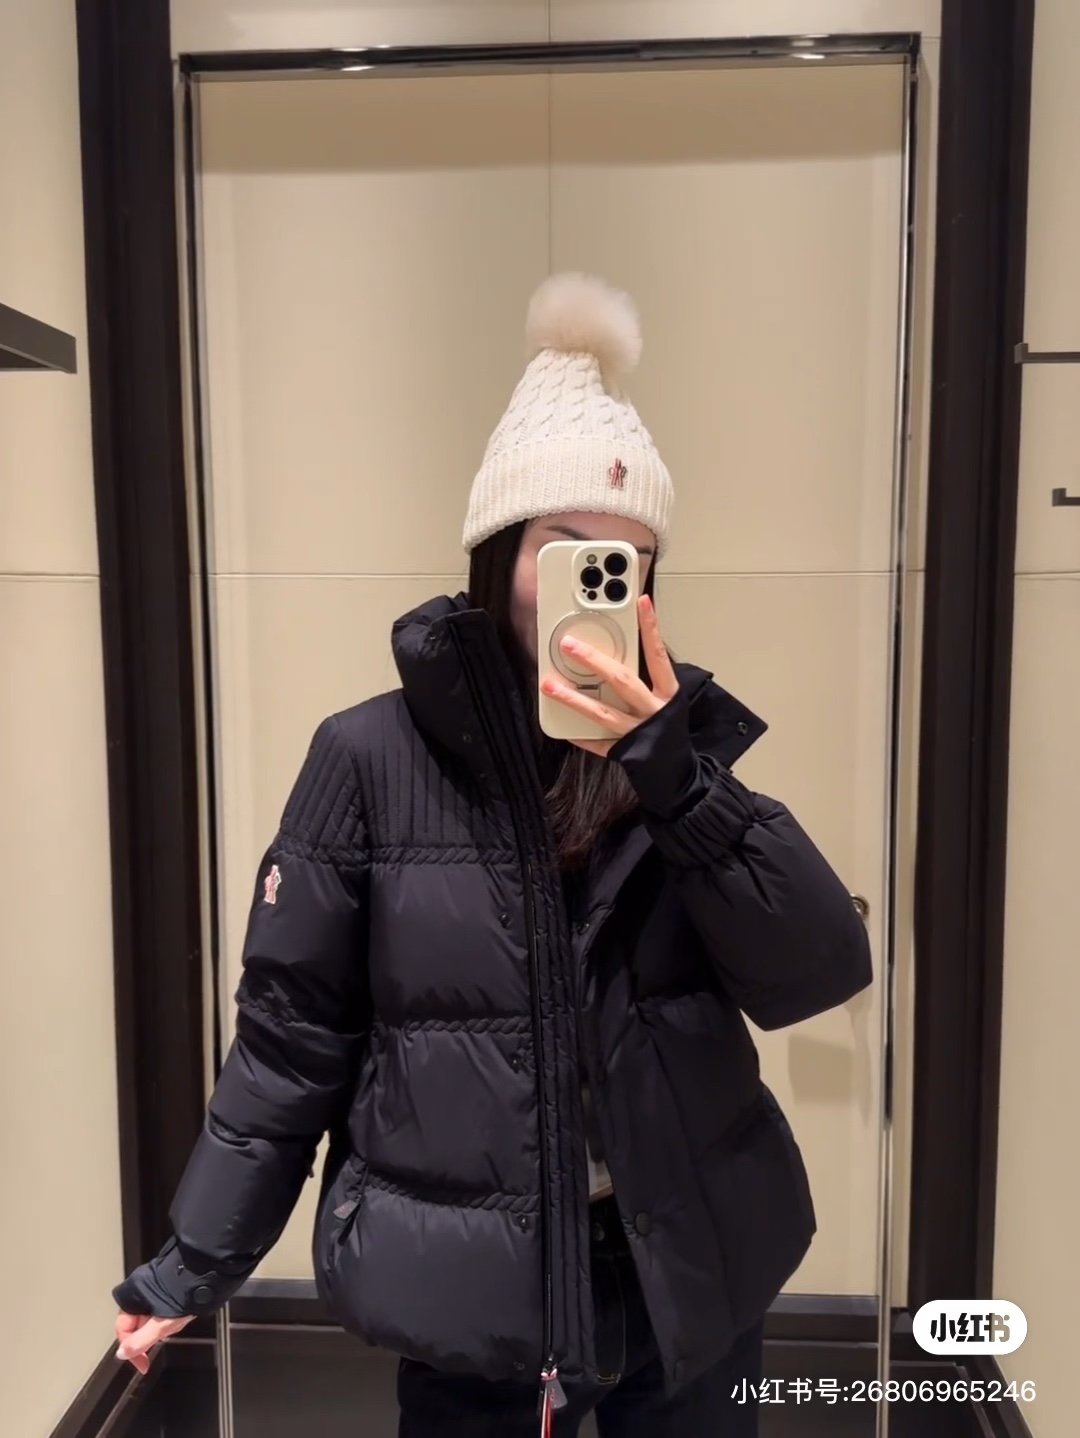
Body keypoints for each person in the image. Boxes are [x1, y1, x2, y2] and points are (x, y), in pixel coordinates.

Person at [114, 273, 872, 1436]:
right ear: (498, 549)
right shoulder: (367, 758)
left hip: (690, 1274)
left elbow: (816, 968)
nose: (599, 583)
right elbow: (288, 1043)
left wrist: (676, 776)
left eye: (629, 561)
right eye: (567, 551)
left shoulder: (680, 756)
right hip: (472, 1298)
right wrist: (193, 1260)